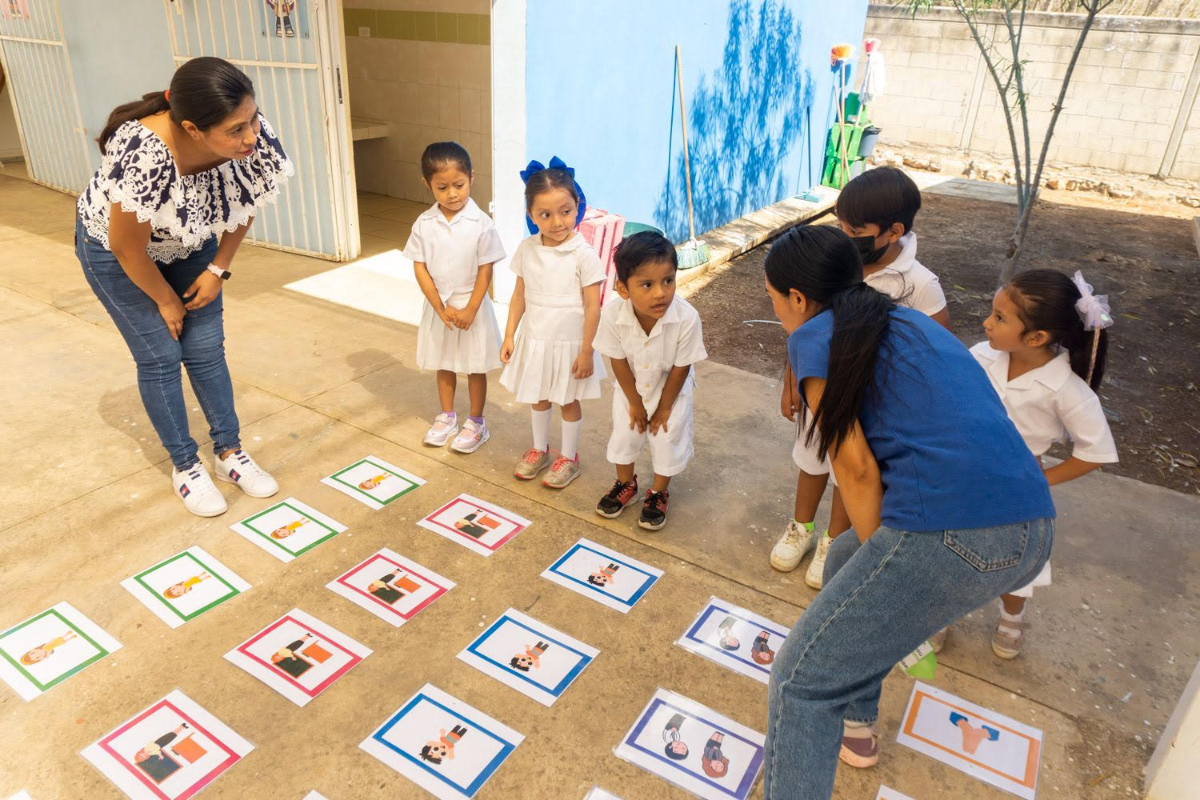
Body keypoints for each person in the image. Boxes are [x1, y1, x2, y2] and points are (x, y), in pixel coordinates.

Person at [761, 225, 1055, 799]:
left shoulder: (813, 335)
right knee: (846, 566)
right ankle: (858, 722)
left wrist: (886, 563)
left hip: (950, 535)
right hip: (1032, 528)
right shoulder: (908, 319)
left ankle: (834, 711)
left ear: (798, 298)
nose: (776, 312)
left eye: (773, 300)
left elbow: (858, 472)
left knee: (801, 681)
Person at [75, 57, 292, 517]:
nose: (251, 136)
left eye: (252, 119)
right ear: (193, 128)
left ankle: (229, 453)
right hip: (117, 256)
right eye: (236, 130)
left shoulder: (248, 131)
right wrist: (166, 300)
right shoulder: (146, 151)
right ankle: (185, 464)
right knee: (160, 357)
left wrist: (217, 270)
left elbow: (245, 199)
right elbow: (126, 246)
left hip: (188, 241)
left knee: (207, 350)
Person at [773, 167, 952, 596]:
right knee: (811, 457)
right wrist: (791, 377)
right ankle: (801, 526)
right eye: (839, 224)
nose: (843, 234)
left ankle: (833, 542)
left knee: (848, 470)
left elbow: (937, 349)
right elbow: (804, 323)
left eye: (854, 229)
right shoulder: (837, 258)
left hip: (871, 405)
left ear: (893, 231)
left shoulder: (920, 284)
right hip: (821, 388)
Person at [969, 269, 1116, 659]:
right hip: (962, 474)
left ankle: (1011, 619)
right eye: (992, 312)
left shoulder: (1067, 390)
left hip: (1016, 489)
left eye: (1000, 318)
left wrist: (1040, 480)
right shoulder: (982, 356)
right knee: (950, 549)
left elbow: (1095, 452)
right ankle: (940, 614)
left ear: (1036, 338)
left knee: (1014, 562)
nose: (987, 322)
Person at [500, 158, 605, 489]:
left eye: (565, 211)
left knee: (567, 400)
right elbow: (519, 295)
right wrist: (509, 336)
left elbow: (593, 305)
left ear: (577, 207)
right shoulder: (527, 249)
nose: (557, 222)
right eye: (545, 214)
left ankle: (569, 457)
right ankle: (539, 449)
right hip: (536, 339)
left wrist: (587, 351)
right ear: (531, 216)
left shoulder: (582, 253)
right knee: (538, 396)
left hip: (570, 343)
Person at [592, 232, 707, 530]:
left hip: (672, 390)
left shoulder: (686, 318)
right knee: (625, 434)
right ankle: (625, 484)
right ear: (623, 289)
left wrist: (665, 408)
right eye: (647, 284)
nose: (660, 293)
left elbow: (682, 366)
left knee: (667, 437)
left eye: (668, 280)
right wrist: (634, 402)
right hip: (631, 387)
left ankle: (658, 492)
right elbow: (616, 359)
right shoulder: (613, 313)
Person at [404, 142, 506, 454]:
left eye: (459, 185)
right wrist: (439, 306)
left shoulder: (482, 223)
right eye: (442, 187)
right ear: (427, 184)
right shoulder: (424, 223)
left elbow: (485, 269)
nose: (452, 194)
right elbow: (420, 266)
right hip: (441, 308)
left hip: (471, 306)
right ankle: (447, 416)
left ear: (471, 178)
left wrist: (472, 307)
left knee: (475, 366)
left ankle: (476, 421)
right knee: (444, 362)